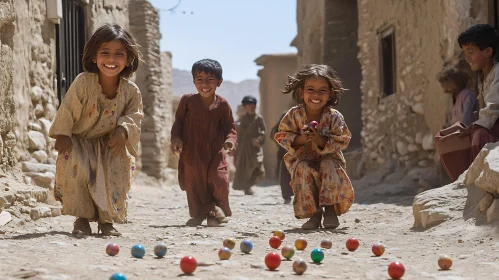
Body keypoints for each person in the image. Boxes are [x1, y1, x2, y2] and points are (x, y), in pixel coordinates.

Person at [49, 24, 144, 236]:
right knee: (79, 174)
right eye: (105, 53)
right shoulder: (83, 82)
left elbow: (134, 114)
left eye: (119, 54)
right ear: (94, 56)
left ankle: (106, 221)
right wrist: (63, 134)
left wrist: (123, 130)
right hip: (80, 140)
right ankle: (81, 220)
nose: (111, 59)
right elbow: (68, 107)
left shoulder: (131, 91)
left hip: (111, 142)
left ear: (128, 59)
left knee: (114, 176)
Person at [274, 64, 354, 230]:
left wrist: (318, 139)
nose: (316, 95)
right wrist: (301, 138)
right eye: (310, 89)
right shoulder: (293, 115)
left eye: (322, 90)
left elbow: (343, 139)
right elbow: (282, 135)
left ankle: (330, 210)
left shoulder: (334, 117)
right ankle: (314, 214)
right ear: (301, 92)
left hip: (329, 159)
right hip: (302, 159)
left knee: (329, 165)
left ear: (330, 93)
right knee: (303, 169)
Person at [171, 59, 237, 227]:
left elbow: (230, 127)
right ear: (194, 82)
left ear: (219, 82)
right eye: (199, 79)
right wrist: (176, 139)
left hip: (215, 152)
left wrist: (230, 141)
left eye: (210, 79)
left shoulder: (222, 105)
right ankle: (201, 214)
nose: (204, 84)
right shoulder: (187, 101)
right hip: (192, 153)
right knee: (195, 184)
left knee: (218, 179)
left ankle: (218, 208)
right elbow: (178, 122)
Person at [457, 24, 499, 211]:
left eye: (471, 52)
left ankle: (486, 187)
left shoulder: (498, 74)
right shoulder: (482, 78)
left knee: (480, 134)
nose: (467, 58)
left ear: (488, 51)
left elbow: (492, 109)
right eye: (465, 52)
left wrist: (476, 125)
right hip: (493, 123)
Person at [434, 65, 478, 182]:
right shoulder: (455, 97)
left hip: (464, 135)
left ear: (454, 82)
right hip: (456, 134)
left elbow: (466, 119)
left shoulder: (467, 95)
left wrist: (456, 132)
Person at [232, 95, 266, 195]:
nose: (251, 107)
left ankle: (250, 184)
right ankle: (247, 187)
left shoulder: (259, 118)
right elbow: (238, 133)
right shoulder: (243, 119)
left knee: (258, 166)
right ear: (245, 107)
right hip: (245, 147)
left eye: (253, 105)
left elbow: (263, 131)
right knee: (246, 168)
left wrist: (259, 140)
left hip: (256, 147)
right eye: (248, 105)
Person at [270, 111, 293, 204]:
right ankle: (287, 196)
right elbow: (273, 134)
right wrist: (282, 144)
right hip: (285, 152)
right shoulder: (286, 116)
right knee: (285, 175)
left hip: (299, 153)